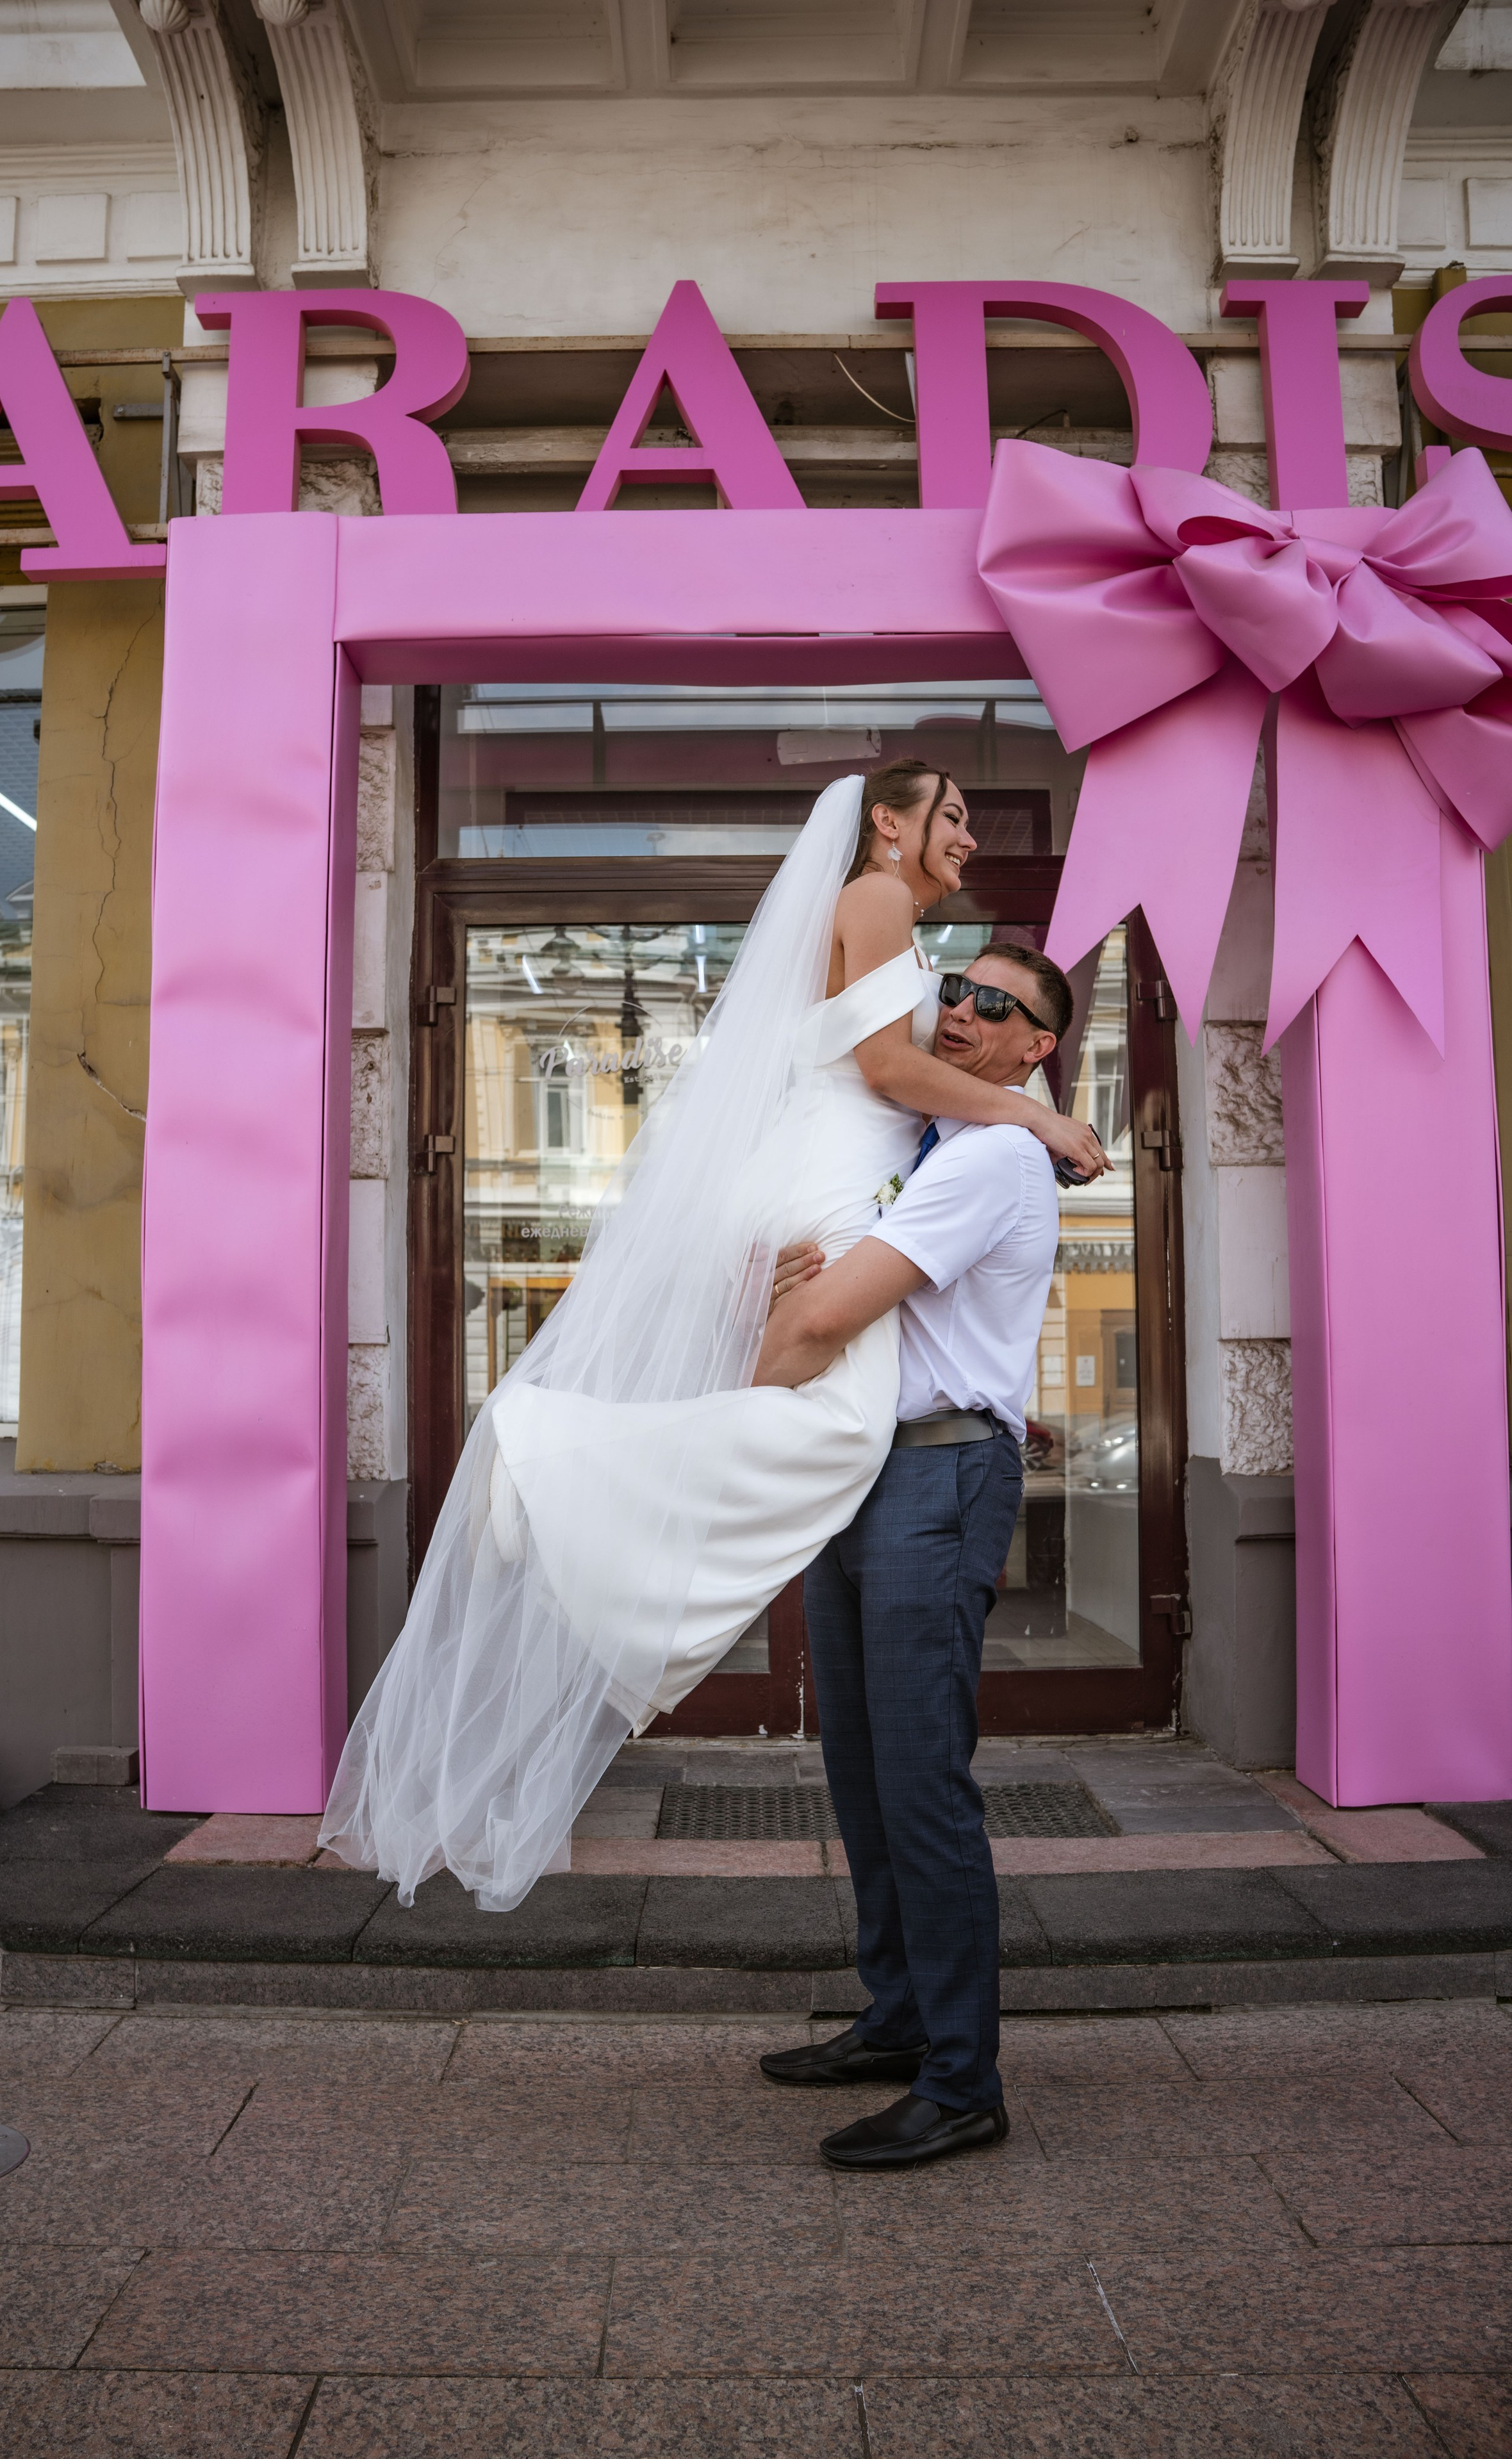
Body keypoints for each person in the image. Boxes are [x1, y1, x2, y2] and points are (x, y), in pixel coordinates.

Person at [320, 766, 1105, 1911]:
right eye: (949, 815)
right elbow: (886, 1066)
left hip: (857, 1255)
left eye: (994, 1009)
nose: (968, 837)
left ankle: (581, 1480)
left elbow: (887, 1084)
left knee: (823, 1430)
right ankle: (566, 1468)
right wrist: (1040, 1113)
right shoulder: (883, 900)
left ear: (1037, 1042)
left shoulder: (965, 1126)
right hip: (837, 1182)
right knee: (834, 1431)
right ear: (888, 824)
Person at [753, 946, 1070, 2170]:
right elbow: (840, 1297)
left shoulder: (992, 1155)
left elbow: (833, 1316)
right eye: (953, 989)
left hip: (936, 1476)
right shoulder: (934, 1146)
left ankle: (962, 2080)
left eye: (996, 1003)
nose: (961, 1010)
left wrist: (755, 1353)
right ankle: (898, 2017)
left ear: (1038, 1046)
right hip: (868, 1469)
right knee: (864, 1768)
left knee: (922, 1778)